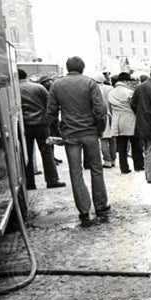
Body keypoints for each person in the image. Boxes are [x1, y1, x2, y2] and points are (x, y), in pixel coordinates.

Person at [45, 56, 111, 225]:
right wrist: (100, 128)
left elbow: (51, 112)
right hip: (90, 132)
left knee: (76, 173)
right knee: (96, 169)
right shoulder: (90, 83)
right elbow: (100, 110)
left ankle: (83, 210)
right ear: (82, 67)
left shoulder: (57, 85)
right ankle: (100, 205)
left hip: (70, 134)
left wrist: (57, 130)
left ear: (67, 68)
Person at [18, 68, 64, 189]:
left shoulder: (15, 89)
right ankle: (52, 180)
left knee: (26, 153)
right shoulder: (38, 88)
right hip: (42, 124)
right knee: (47, 152)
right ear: (26, 76)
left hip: (25, 125)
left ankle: (29, 183)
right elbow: (49, 103)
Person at [108, 72, 143, 173]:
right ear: (126, 81)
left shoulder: (111, 93)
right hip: (130, 120)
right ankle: (138, 165)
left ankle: (124, 168)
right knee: (136, 144)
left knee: (121, 147)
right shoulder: (129, 92)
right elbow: (134, 106)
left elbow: (109, 108)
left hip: (117, 121)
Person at [97, 74, 115, 168]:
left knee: (103, 138)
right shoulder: (110, 88)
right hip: (111, 114)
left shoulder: (94, 88)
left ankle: (107, 160)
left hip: (101, 115)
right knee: (112, 139)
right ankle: (113, 159)